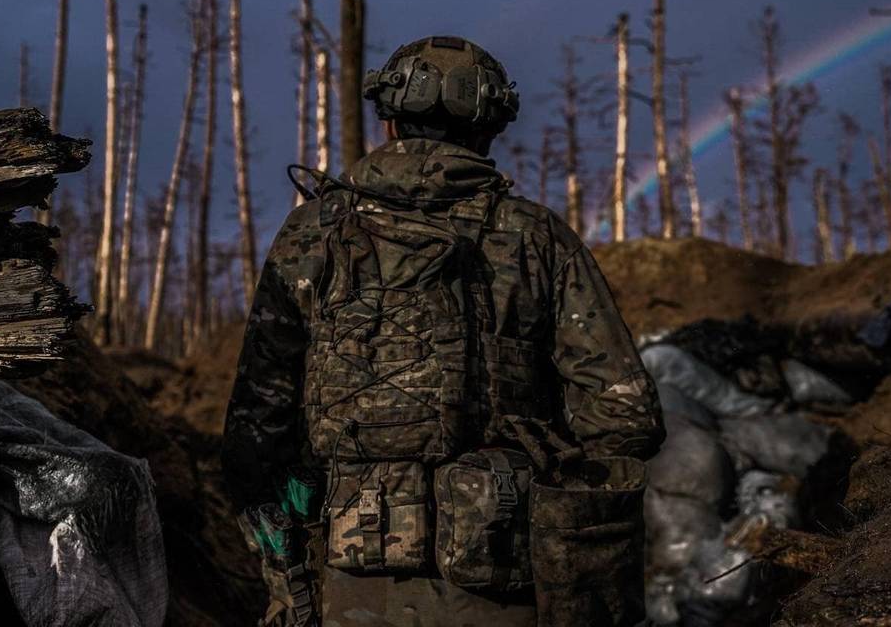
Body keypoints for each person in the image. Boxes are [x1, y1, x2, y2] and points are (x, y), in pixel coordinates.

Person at [222, 36, 664, 627]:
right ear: (489, 131)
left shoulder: (312, 233)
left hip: (345, 577)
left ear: (390, 122)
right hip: (506, 576)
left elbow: (255, 428)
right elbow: (626, 417)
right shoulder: (535, 236)